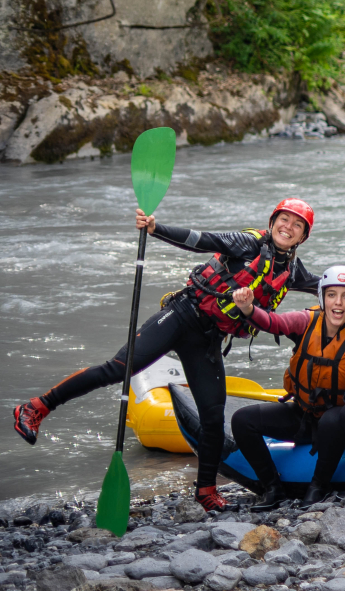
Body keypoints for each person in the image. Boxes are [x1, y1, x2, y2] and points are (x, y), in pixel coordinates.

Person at [13, 200, 319, 512]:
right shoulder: (247, 243)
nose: (288, 227)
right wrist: (155, 229)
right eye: (284, 219)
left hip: (208, 339)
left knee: (213, 416)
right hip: (181, 317)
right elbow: (200, 240)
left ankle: (206, 490)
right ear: (272, 222)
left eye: (297, 225)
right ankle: (36, 407)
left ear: (302, 237)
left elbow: (328, 286)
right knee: (117, 369)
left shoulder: (292, 270)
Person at [228, 265, 345, 509]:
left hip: (338, 423)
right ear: (322, 297)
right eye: (332, 295)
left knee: (332, 420)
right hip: (303, 414)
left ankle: (318, 486)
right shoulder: (306, 320)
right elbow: (273, 323)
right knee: (242, 420)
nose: (338, 303)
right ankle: (272, 488)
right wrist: (248, 308)